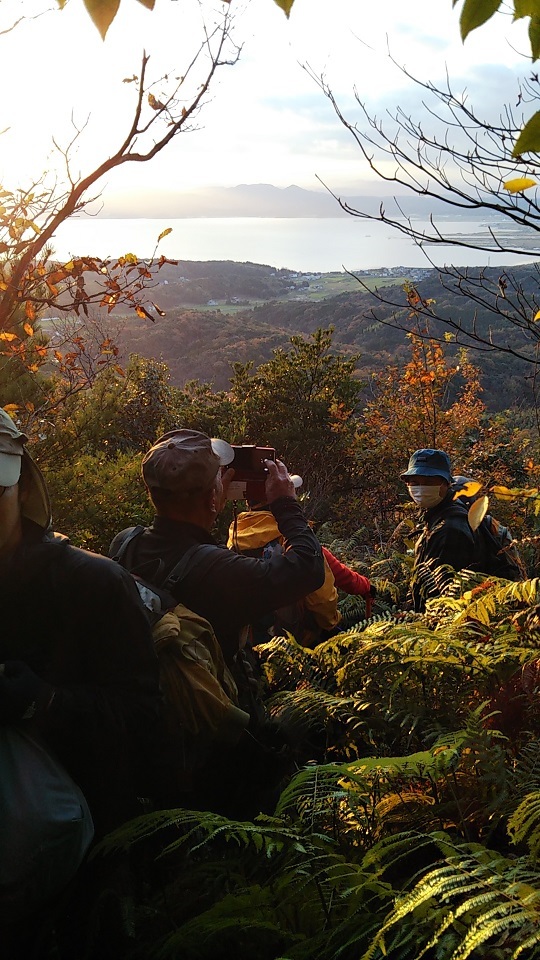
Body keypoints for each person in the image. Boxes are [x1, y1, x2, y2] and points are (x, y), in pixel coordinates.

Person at [109, 429, 326, 817]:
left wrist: (209, 503)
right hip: (218, 742)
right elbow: (308, 568)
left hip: (156, 732)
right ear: (213, 496)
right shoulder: (217, 570)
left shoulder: (126, 544)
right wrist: (285, 505)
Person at [227, 490, 375, 645]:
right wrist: (332, 623)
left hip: (248, 639)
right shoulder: (293, 539)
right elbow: (322, 597)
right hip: (297, 639)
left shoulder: (236, 536)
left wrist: (364, 586)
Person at [401, 448, 477, 611]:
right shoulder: (435, 513)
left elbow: (441, 595)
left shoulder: (450, 529)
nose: (421, 489)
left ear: (447, 484)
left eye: (429, 482)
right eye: (414, 483)